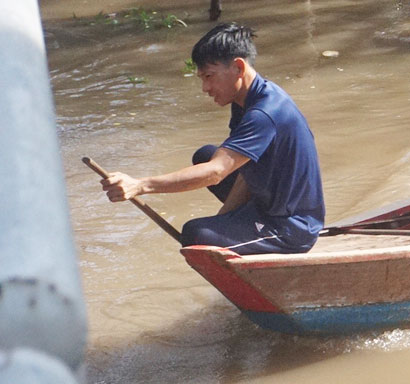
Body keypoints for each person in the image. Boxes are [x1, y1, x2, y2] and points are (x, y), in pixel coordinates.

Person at [98, 23, 324, 255]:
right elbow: (246, 171)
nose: (205, 87)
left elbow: (217, 172)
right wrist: (224, 221)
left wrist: (140, 185)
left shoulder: (263, 113)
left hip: (291, 227)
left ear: (238, 67)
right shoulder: (245, 100)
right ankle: (239, 226)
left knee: (196, 235)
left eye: (209, 76)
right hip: (269, 203)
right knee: (204, 155)